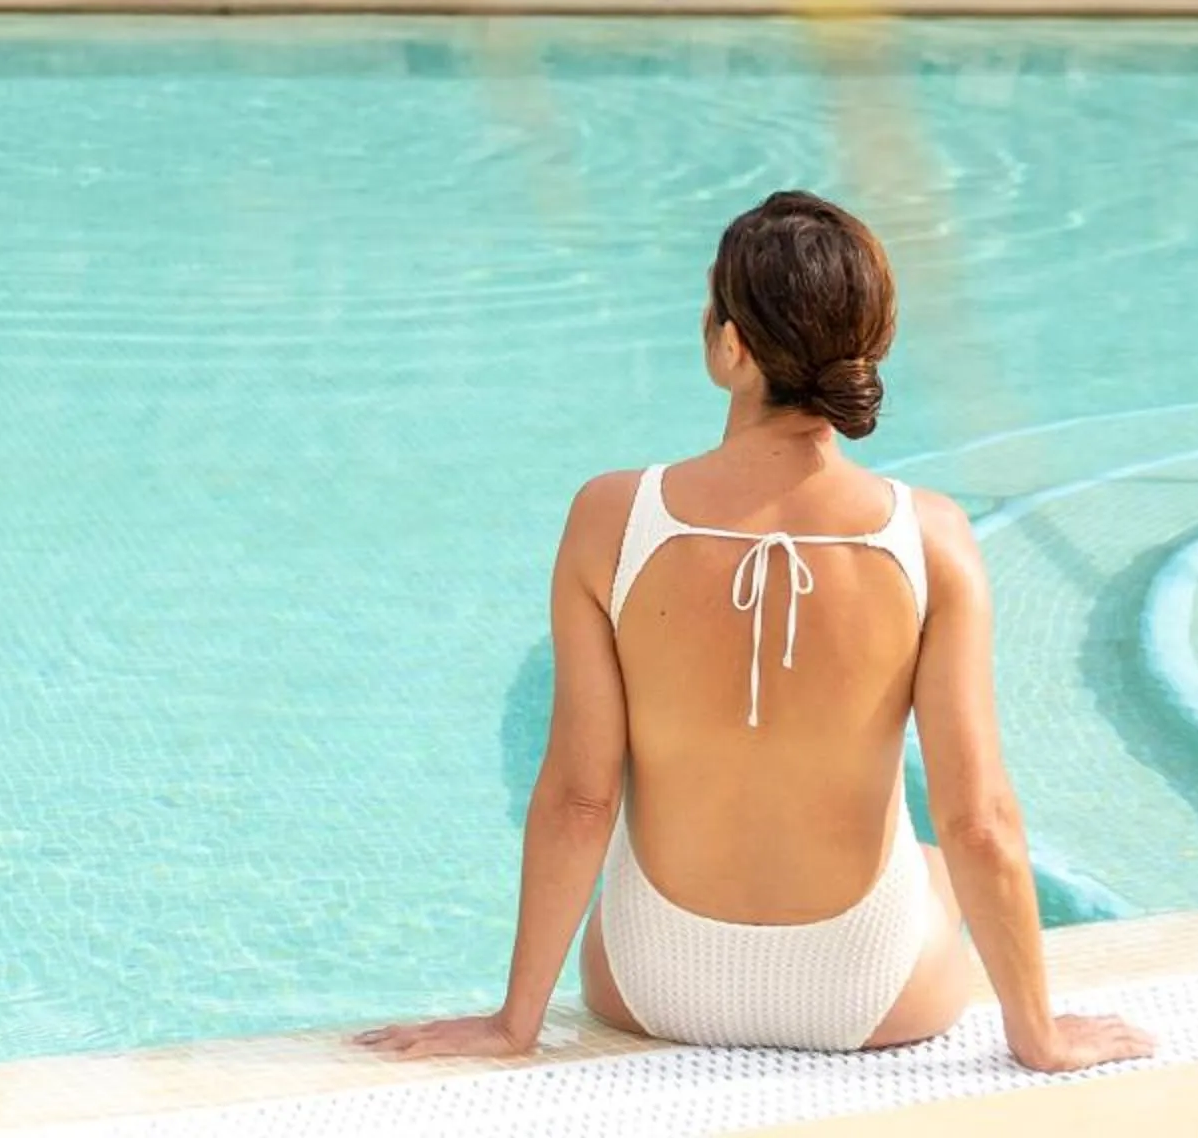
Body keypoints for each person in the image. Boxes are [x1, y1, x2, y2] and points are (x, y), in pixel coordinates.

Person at [361, 192, 1151, 1072]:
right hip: (875, 992)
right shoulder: (929, 538)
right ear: (871, 348)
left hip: (652, 985)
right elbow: (981, 820)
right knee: (929, 857)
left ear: (730, 345)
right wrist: (1037, 1033)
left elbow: (581, 799)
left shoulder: (611, 517)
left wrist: (513, 1024)